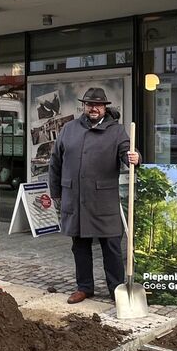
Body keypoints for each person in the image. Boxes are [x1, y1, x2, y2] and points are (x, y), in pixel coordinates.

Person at [48, 87, 139, 304]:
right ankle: (84, 287)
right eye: (90, 104)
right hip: (75, 199)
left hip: (103, 201)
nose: (94, 108)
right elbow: (55, 163)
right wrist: (56, 192)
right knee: (79, 246)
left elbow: (127, 153)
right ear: (84, 107)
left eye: (98, 105)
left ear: (105, 108)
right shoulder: (69, 129)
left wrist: (135, 157)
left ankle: (116, 289)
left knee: (112, 247)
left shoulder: (116, 131)